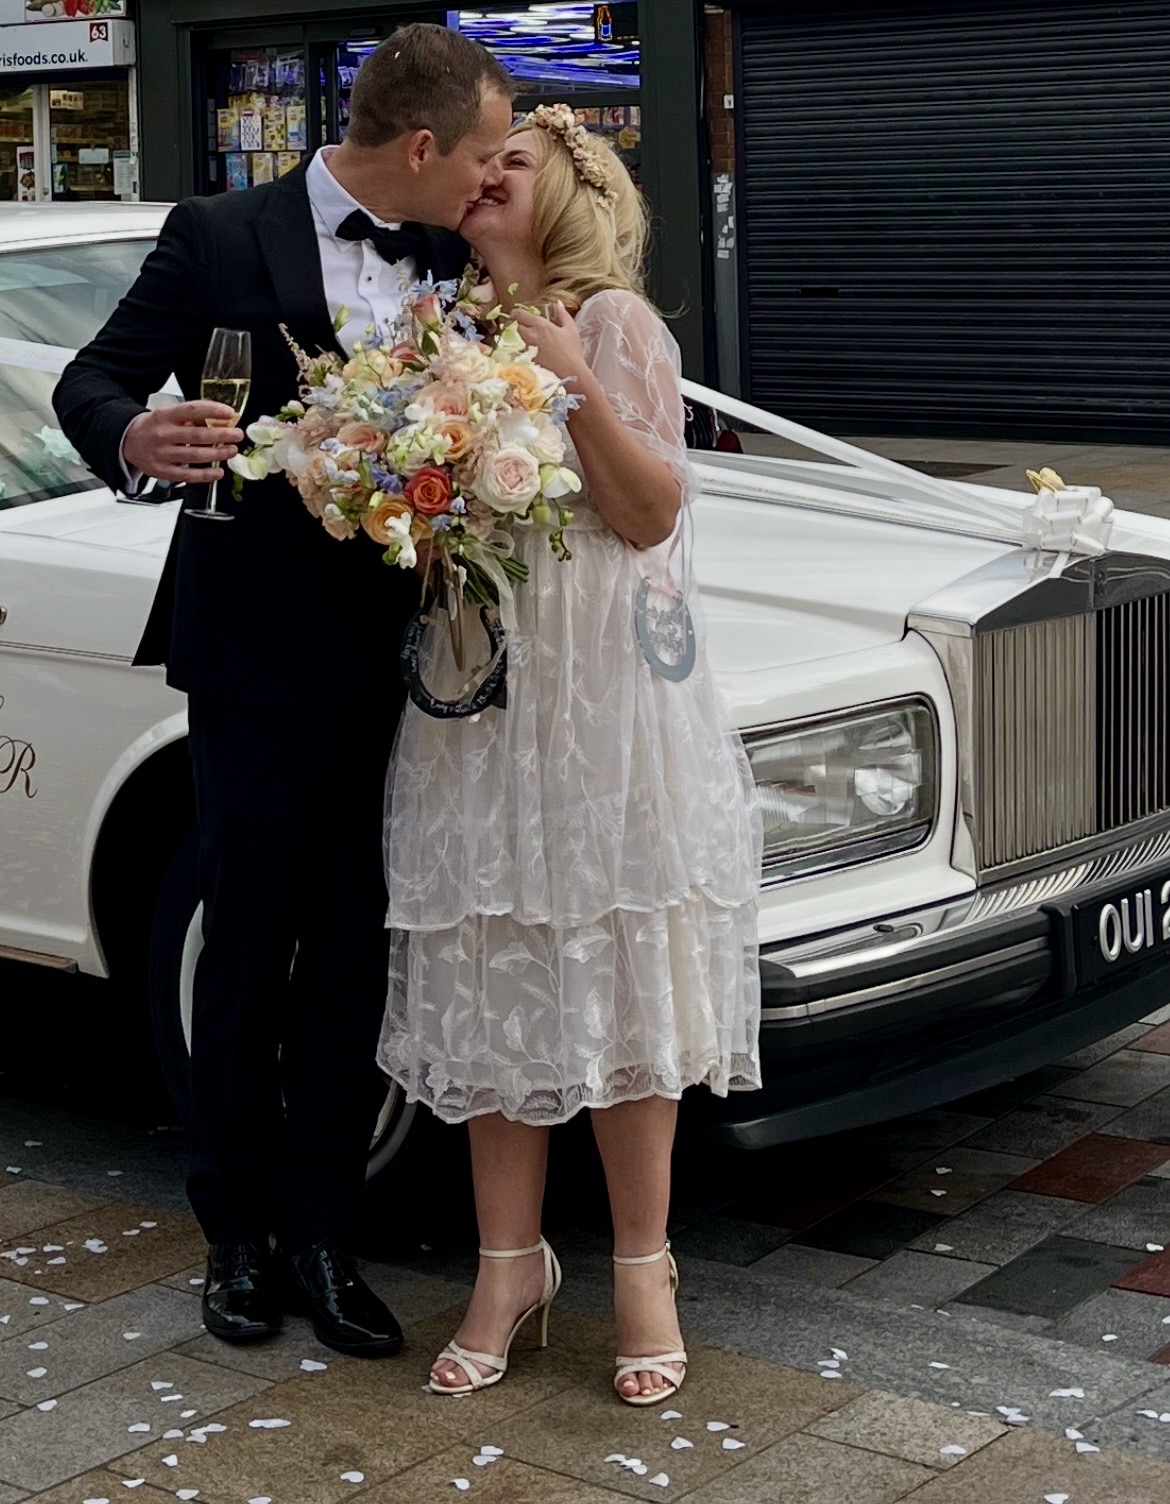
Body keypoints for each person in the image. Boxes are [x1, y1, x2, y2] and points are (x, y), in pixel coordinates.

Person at [53, 25, 515, 1356]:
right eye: (479, 157)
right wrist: (135, 442)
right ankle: (235, 1239)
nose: (490, 181)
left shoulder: (451, 257)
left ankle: (323, 1235)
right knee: (248, 943)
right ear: (419, 147)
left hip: (411, 657)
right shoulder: (220, 232)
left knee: (359, 945)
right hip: (255, 654)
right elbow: (93, 380)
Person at [377, 107, 762, 1404]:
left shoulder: (616, 327)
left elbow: (650, 515)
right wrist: (387, 486)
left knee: (616, 962)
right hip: (481, 696)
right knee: (496, 963)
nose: (484, 179)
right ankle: (507, 1264)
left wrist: (571, 380)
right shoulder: (441, 337)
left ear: (575, 190)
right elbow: (432, 533)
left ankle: (643, 1268)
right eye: (476, 166)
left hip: (601, 701)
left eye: (513, 165)